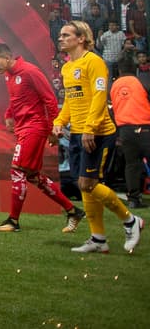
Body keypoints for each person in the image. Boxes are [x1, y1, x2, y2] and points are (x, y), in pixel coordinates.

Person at [51, 21, 143, 254]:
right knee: (84, 185)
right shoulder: (67, 68)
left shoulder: (95, 62)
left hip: (98, 133)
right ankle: (98, 238)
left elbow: (100, 97)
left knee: (88, 183)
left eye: (66, 35)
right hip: (78, 133)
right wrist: (59, 123)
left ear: (81, 38)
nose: (60, 38)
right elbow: (72, 101)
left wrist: (91, 128)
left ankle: (131, 220)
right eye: (60, 35)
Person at [0, 43, 84, 233]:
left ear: (7, 57)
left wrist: (53, 129)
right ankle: (72, 210)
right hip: (23, 128)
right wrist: (8, 114)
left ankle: (13, 221)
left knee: (17, 171)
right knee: (32, 175)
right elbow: (16, 99)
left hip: (34, 127)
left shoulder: (30, 72)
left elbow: (50, 100)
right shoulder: (9, 75)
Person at [111, 51, 150, 209]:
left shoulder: (114, 86)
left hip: (125, 131)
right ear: (135, 68)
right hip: (145, 128)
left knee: (131, 165)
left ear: (119, 70)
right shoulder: (142, 81)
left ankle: (134, 199)